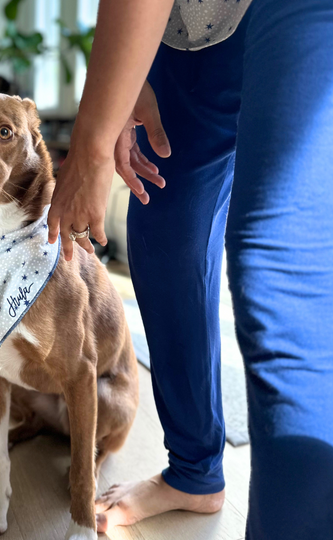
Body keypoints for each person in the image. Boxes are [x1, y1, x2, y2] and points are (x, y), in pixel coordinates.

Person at [47, 0, 333, 538]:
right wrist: (123, 75)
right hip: (187, 27)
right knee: (164, 236)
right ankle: (194, 472)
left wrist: (90, 142)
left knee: (280, 272)